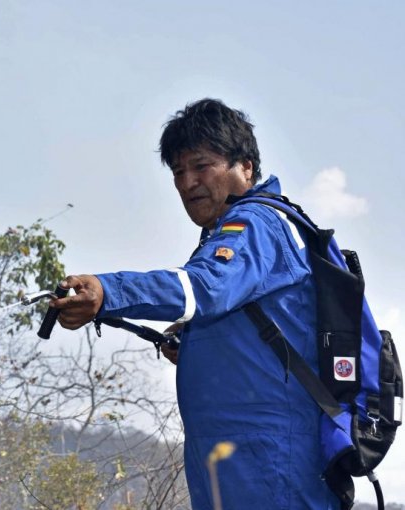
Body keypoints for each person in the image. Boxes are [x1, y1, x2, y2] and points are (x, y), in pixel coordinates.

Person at [52, 98, 337, 509]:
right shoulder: (228, 234)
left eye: (202, 166)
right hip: (234, 459)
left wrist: (108, 292)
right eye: (178, 171)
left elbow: (204, 289)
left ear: (246, 168)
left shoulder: (255, 224)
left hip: (269, 463)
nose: (187, 183)